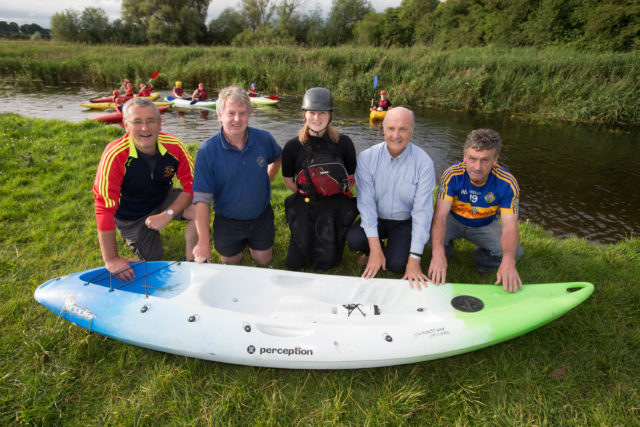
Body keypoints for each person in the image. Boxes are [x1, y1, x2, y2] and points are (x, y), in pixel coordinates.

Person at [93, 97, 197, 282]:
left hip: (163, 199)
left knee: (199, 208)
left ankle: (192, 260)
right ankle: (142, 241)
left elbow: (192, 187)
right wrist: (111, 259)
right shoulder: (115, 155)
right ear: (126, 125)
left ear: (160, 123)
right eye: (137, 122)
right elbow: (104, 208)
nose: (145, 128)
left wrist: (168, 213)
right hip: (132, 217)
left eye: (150, 121)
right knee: (156, 270)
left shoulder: (175, 146)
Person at [346, 107, 435, 289]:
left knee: (397, 265)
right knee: (355, 238)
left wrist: (415, 258)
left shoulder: (424, 163)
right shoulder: (367, 158)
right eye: (391, 128)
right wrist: (375, 248)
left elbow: (422, 213)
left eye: (403, 129)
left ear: (412, 131)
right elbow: (366, 204)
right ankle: (373, 251)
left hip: (404, 221)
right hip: (377, 218)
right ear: (383, 129)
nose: (396, 135)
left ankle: (394, 251)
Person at [192, 86, 282, 265]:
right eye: (231, 113)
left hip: (260, 216)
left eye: (242, 113)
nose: (237, 119)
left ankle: (256, 247)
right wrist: (203, 241)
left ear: (249, 115)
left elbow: (278, 157)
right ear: (220, 116)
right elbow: (201, 199)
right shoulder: (207, 151)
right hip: (227, 220)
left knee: (264, 260)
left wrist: (268, 178)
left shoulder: (264, 139)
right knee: (231, 263)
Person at [428, 129, 524, 292]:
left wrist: (508, 261)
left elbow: (510, 226)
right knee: (427, 235)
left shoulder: (508, 183)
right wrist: (438, 253)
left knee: (515, 253)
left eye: (485, 160)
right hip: (453, 220)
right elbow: (440, 217)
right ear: (465, 156)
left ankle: (481, 260)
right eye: (472, 159)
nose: (477, 167)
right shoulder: (451, 175)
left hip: (484, 224)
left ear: (495, 160)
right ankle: (446, 253)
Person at [281, 87, 358, 271]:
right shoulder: (292, 146)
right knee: (295, 263)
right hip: (306, 200)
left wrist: (330, 192)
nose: (316, 118)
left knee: (328, 261)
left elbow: (351, 175)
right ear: (304, 114)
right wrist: (309, 193)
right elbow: (287, 179)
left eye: (322, 113)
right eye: (312, 113)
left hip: (335, 201)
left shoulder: (344, 142)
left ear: (330, 115)